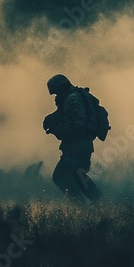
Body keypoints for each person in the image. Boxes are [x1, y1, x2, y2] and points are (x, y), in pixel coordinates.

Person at [43, 74, 102, 202]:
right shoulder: (73, 97)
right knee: (78, 176)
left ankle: (80, 206)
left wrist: (57, 129)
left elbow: (77, 125)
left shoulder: (72, 99)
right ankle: (99, 202)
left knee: (61, 176)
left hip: (77, 147)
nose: (56, 97)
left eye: (56, 93)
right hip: (81, 146)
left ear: (60, 89)